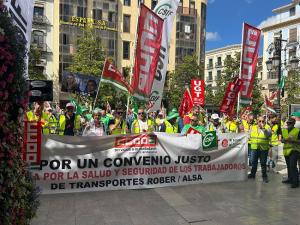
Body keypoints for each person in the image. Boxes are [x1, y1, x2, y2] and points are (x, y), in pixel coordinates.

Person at [248, 116, 271, 183]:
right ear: (257, 121)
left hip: (263, 149)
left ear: (265, 121)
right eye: (260, 121)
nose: (261, 122)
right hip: (254, 147)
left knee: (263, 163)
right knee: (253, 162)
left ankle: (264, 176)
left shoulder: (267, 127)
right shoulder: (253, 127)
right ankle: (253, 174)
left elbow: (269, 135)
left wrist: (263, 129)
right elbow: (249, 135)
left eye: (263, 121)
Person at [281, 117, 300, 188]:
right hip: (286, 151)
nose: (288, 124)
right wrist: (283, 140)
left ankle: (296, 182)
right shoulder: (284, 131)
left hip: (294, 150)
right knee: (289, 166)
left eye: (290, 123)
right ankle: (290, 179)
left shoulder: (297, 131)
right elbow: (282, 139)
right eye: (288, 123)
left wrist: (293, 141)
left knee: (293, 166)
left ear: (294, 123)